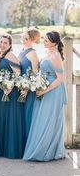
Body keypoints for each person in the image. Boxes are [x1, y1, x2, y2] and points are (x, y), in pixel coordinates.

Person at [23, 31, 67, 161]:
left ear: (54, 42)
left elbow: (60, 79)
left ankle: (46, 151)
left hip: (52, 91)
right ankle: (43, 148)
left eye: (47, 40)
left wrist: (44, 90)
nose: (44, 41)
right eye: (44, 39)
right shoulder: (48, 54)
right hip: (43, 89)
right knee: (41, 119)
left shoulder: (56, 56)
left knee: (48, 120)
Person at [0, 34, 25, 158]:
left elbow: (18, 73)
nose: (2, 45)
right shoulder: (0, 55)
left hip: (10, 92)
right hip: (1, 91)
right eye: (1, 42)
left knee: (10, 118)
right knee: (2, 118)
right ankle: (2, 148)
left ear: (10, 45)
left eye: (5, 43)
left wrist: (9, 87)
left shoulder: (10, 55)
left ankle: (11, 150)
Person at [18, 27, 40, 141]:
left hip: (29, 91)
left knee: (28, 116)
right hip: (20, 88)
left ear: (33, 40)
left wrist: (26, 88)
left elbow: (35, 74)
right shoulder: (21, 51)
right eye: (23, 37)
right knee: (21, 118)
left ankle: (29, 143)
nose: (24, 39)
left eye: (27, 38)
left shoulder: (33, 53)